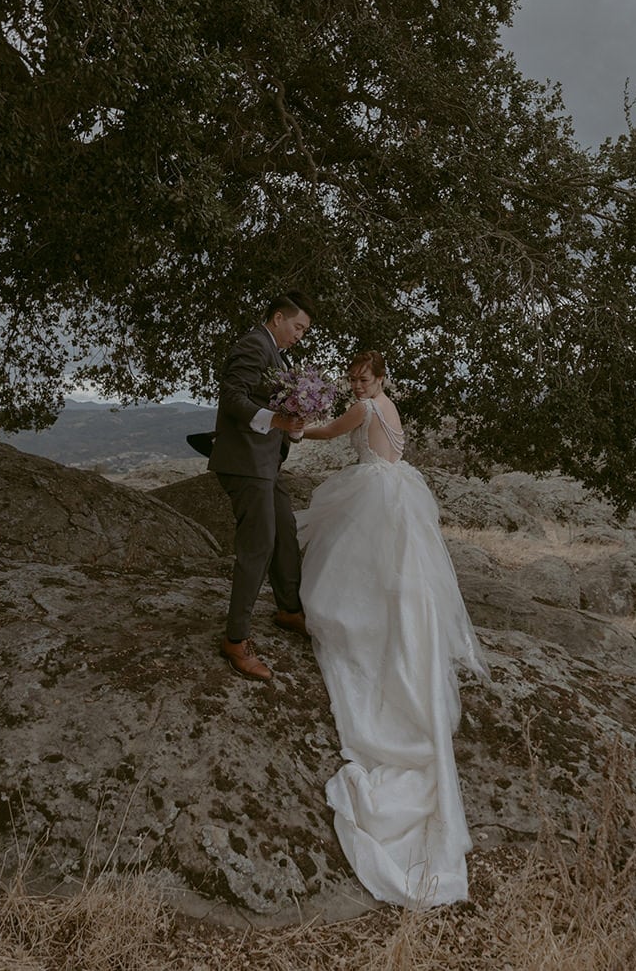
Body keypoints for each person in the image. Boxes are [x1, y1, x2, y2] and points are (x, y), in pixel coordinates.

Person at [296, 351, 486, 908]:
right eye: (353, 377)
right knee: (389, 573)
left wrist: (292, 424)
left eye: (365, 377)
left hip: (377, 492)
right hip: (398, 488)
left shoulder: (364, 408)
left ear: (380, 379)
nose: (357, 384)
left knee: (354, 568)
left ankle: (358, 627)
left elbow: (330, 432)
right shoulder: (389, 406)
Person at [209, 292, 316, 681]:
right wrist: (278, 422)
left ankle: (289, 608)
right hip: (245, 461)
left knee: (285, 529)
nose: (300, 335)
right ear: (277, 318)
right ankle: (236, 640)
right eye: (298, 327)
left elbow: (274, 408)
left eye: (304, 330)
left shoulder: (279, 355)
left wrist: (295, 424)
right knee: (259, 544)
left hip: (267, 462)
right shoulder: (254, 344)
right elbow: (232, 396)